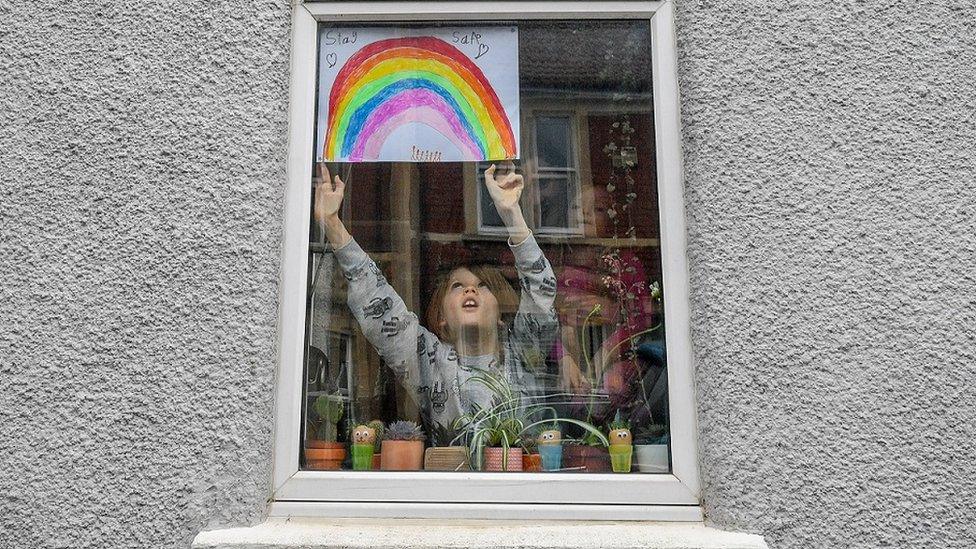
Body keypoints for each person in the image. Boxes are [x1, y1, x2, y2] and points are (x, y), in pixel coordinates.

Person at [314, 162, 558, 440]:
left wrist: (512, 214)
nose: (471, 291)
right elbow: (381, 308)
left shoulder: (525, 354)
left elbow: (541, 293)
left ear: (501, 312)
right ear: (441, 316)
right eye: (458, 286)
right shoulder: (431, 363)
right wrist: (332, 225)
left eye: (482, 286)